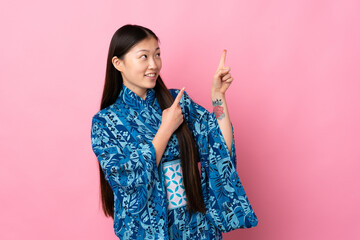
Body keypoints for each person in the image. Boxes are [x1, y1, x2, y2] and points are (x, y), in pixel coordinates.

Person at [90, 24, 258, 240]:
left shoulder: (178, 102)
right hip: (147, 233)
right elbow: (128, 182)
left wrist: (218, 97)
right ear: (118, 63)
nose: (154, 64)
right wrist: (166, 129)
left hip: (196, 227)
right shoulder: (106, 122)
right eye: (144, 56)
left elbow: (219, 149)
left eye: (157, 55)